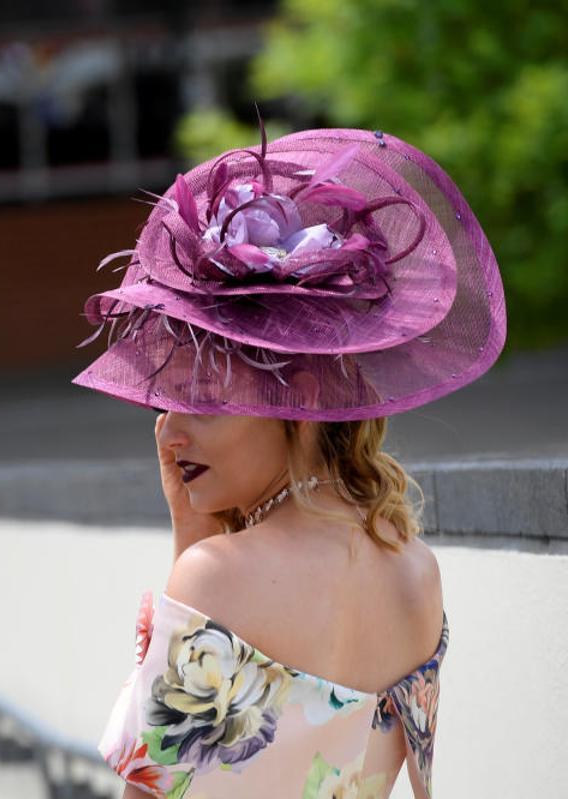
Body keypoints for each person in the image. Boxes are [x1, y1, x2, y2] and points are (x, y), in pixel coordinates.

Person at [74, 128, 505, 797]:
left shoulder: (216, 576)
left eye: (202, 398)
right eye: (169, 398)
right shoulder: (418, 574)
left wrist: (193, 551)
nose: (168, 430)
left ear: (300, 397)